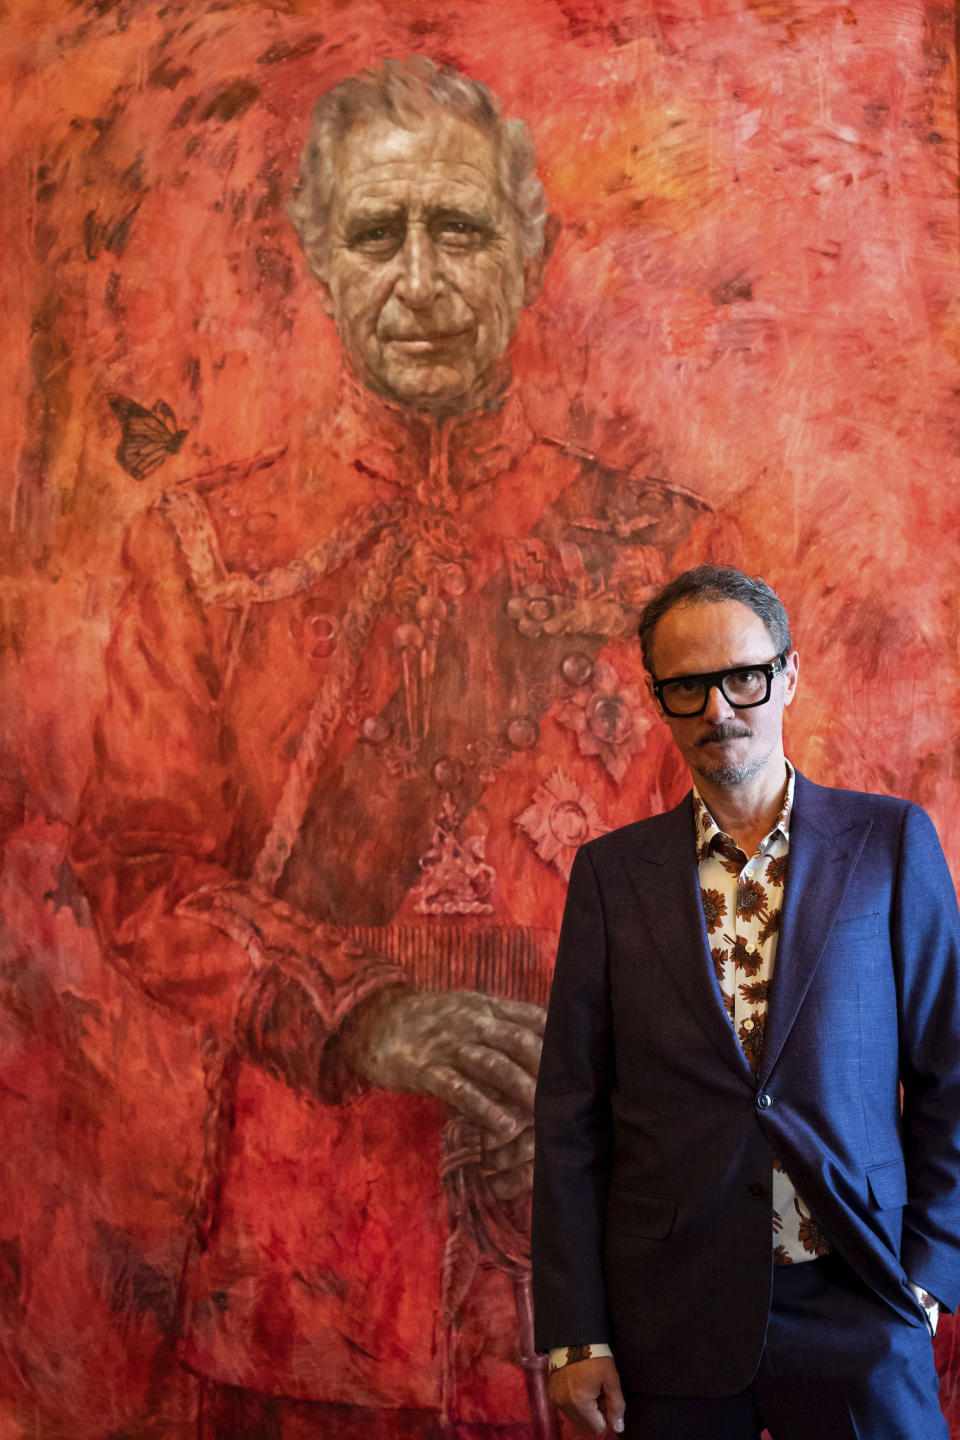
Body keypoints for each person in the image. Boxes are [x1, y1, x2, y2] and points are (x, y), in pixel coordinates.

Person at [71, 58, 736, 1439]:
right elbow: (135, 871)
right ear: (317, 257)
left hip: (598, 1261)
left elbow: (742, 893)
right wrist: (368, 1014)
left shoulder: (665, 557)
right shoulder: (198, 556)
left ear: (529, 246)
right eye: (379, 235)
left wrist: (602, 1072)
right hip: (305, 1271)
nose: (421, 279)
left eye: (461, 229)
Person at [532, 564, 960, 1439]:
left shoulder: (889, 844)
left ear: (789, 676)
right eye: (686, 687)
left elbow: (951, 1074)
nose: (718, 710)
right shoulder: (613, 877)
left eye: (743, 678)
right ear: (659, 699)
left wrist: (928, 1271)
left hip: (860, 1291)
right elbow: (572, 1117)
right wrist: (577, 1334)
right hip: (669, 1311)